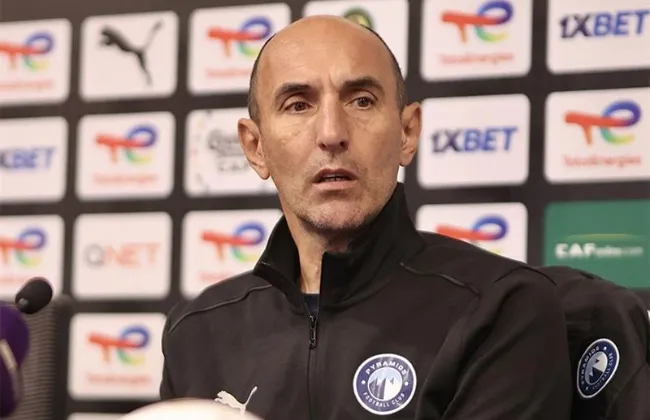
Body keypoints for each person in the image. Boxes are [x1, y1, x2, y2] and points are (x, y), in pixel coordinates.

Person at [159, 16, 573, 419]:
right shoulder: (197, 333)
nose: (331, 133)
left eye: (361, 101)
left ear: (407, 133)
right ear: (255, 148)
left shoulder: (502, 309)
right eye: (298, 105)